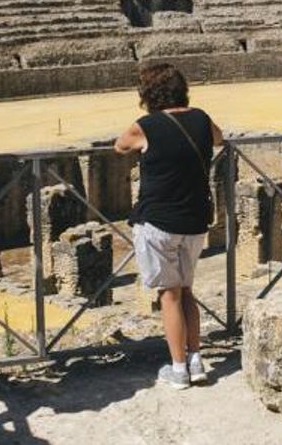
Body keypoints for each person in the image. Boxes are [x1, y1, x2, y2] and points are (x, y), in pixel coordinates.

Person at [115, 63, 224, 390]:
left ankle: (178, 370)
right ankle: (196, 361)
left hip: (159, 222)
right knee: (187, 290)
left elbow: (120, 146)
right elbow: (218, 138)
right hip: (195, 221)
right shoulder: (202, 118)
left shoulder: (145, 125)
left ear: (148, 95)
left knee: (169, 295)